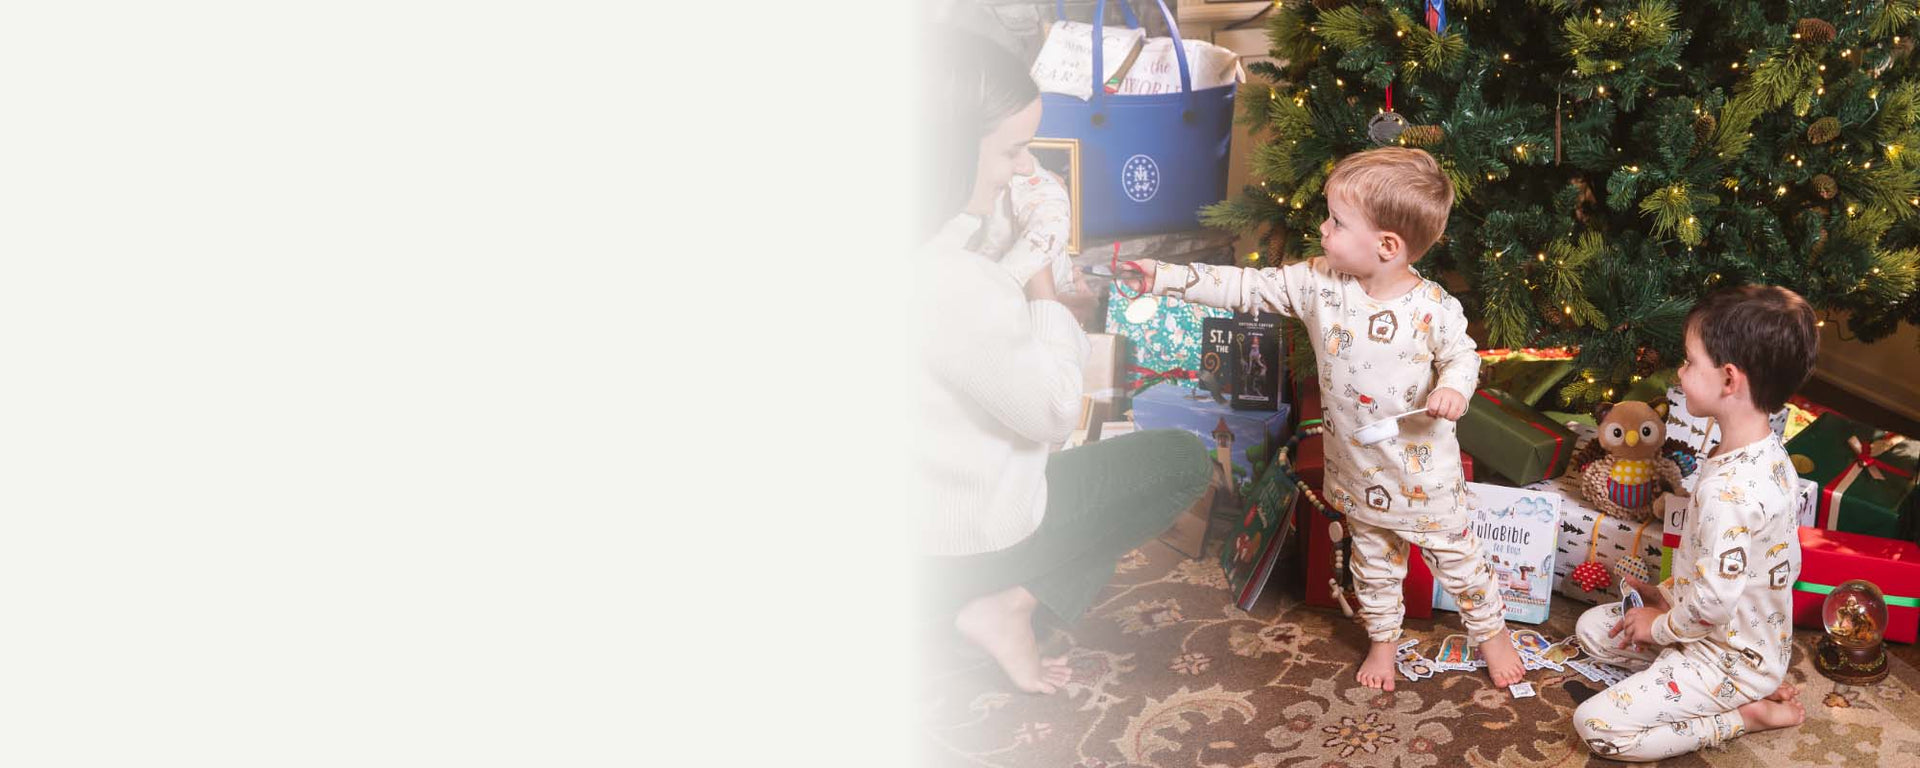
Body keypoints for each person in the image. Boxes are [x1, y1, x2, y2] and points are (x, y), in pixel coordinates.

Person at [1125, 147, 1528, 691]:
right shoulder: (1318, 283)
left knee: (1460, 561)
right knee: (1373, 564)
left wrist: (1455, 387)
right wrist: (1164, 278)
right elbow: (1246, 288)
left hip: (1424, 478)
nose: (1322, 228)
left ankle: (1492, 635)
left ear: (1388, 246)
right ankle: (1384, 641)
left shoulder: (1433, 307)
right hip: (1359, 471)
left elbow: (1462, 356)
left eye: (1337, 222)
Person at [915, 27, 1212, 695]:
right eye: (1012, 152)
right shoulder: (957, 286)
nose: (1023, 170)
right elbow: (1051, 412)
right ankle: (1004, 603)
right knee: (1175, 462)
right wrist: (1046, 290)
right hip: (959, 543)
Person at [1572, 285, 1817, 761]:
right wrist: (1664, 597)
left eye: (1688, 361)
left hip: (1725, 656)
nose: (1680, 372)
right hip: (1725, 634)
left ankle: (1742, 713)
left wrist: (1662, 626)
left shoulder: (1731, 491)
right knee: (1591, 629)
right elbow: (1733, 568)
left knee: (1597, 726)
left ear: (1729, 380)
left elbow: (1715, 601)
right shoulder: (1761, 452)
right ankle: (1740, 685)